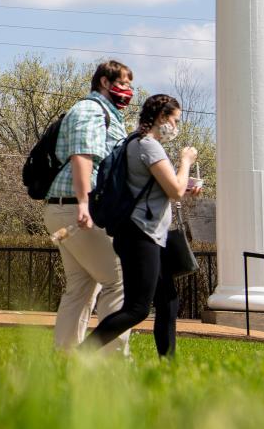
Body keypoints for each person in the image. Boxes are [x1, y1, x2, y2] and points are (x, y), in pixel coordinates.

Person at [84, 93, 200, 357]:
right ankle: (81, 354)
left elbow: (161, 186)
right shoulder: (149, 145)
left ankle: (167, 364)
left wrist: (184, 183)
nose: (176, 127)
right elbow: (175, 191)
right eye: (175, 120)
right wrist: (186, 161)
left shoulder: (133, 142)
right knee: (137, 308)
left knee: (168, 299)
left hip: (146, 233)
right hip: (141, 234)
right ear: (161, 117)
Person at [44, 59, 135, 352]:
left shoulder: (105, 114)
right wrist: (84, 203)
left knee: (82, 286)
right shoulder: (91, 110)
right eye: (123, 84)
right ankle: (111, 360)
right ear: (105, 83)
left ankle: (65, 359)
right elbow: (83, 156)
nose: (128, 91)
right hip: (76, 208)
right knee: (119, 279)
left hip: (65, 208)